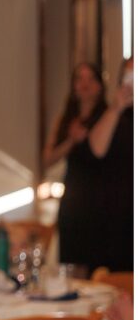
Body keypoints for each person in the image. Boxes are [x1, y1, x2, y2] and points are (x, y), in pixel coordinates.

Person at [44, 62, 108, 274]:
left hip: (101, 195)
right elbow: (47, 159)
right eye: (80, 79)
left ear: (99, 85)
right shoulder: (65, 120)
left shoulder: (108, 117)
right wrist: (71, 140)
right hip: (74, 195)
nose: (85, 84)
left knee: (99, 260)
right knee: (73, 259)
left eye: (90, 79)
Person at [83, 58, 133, 273]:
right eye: (129, 77)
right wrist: (117, 107)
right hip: (116, 224)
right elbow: (96, 148)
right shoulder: (115, 116)